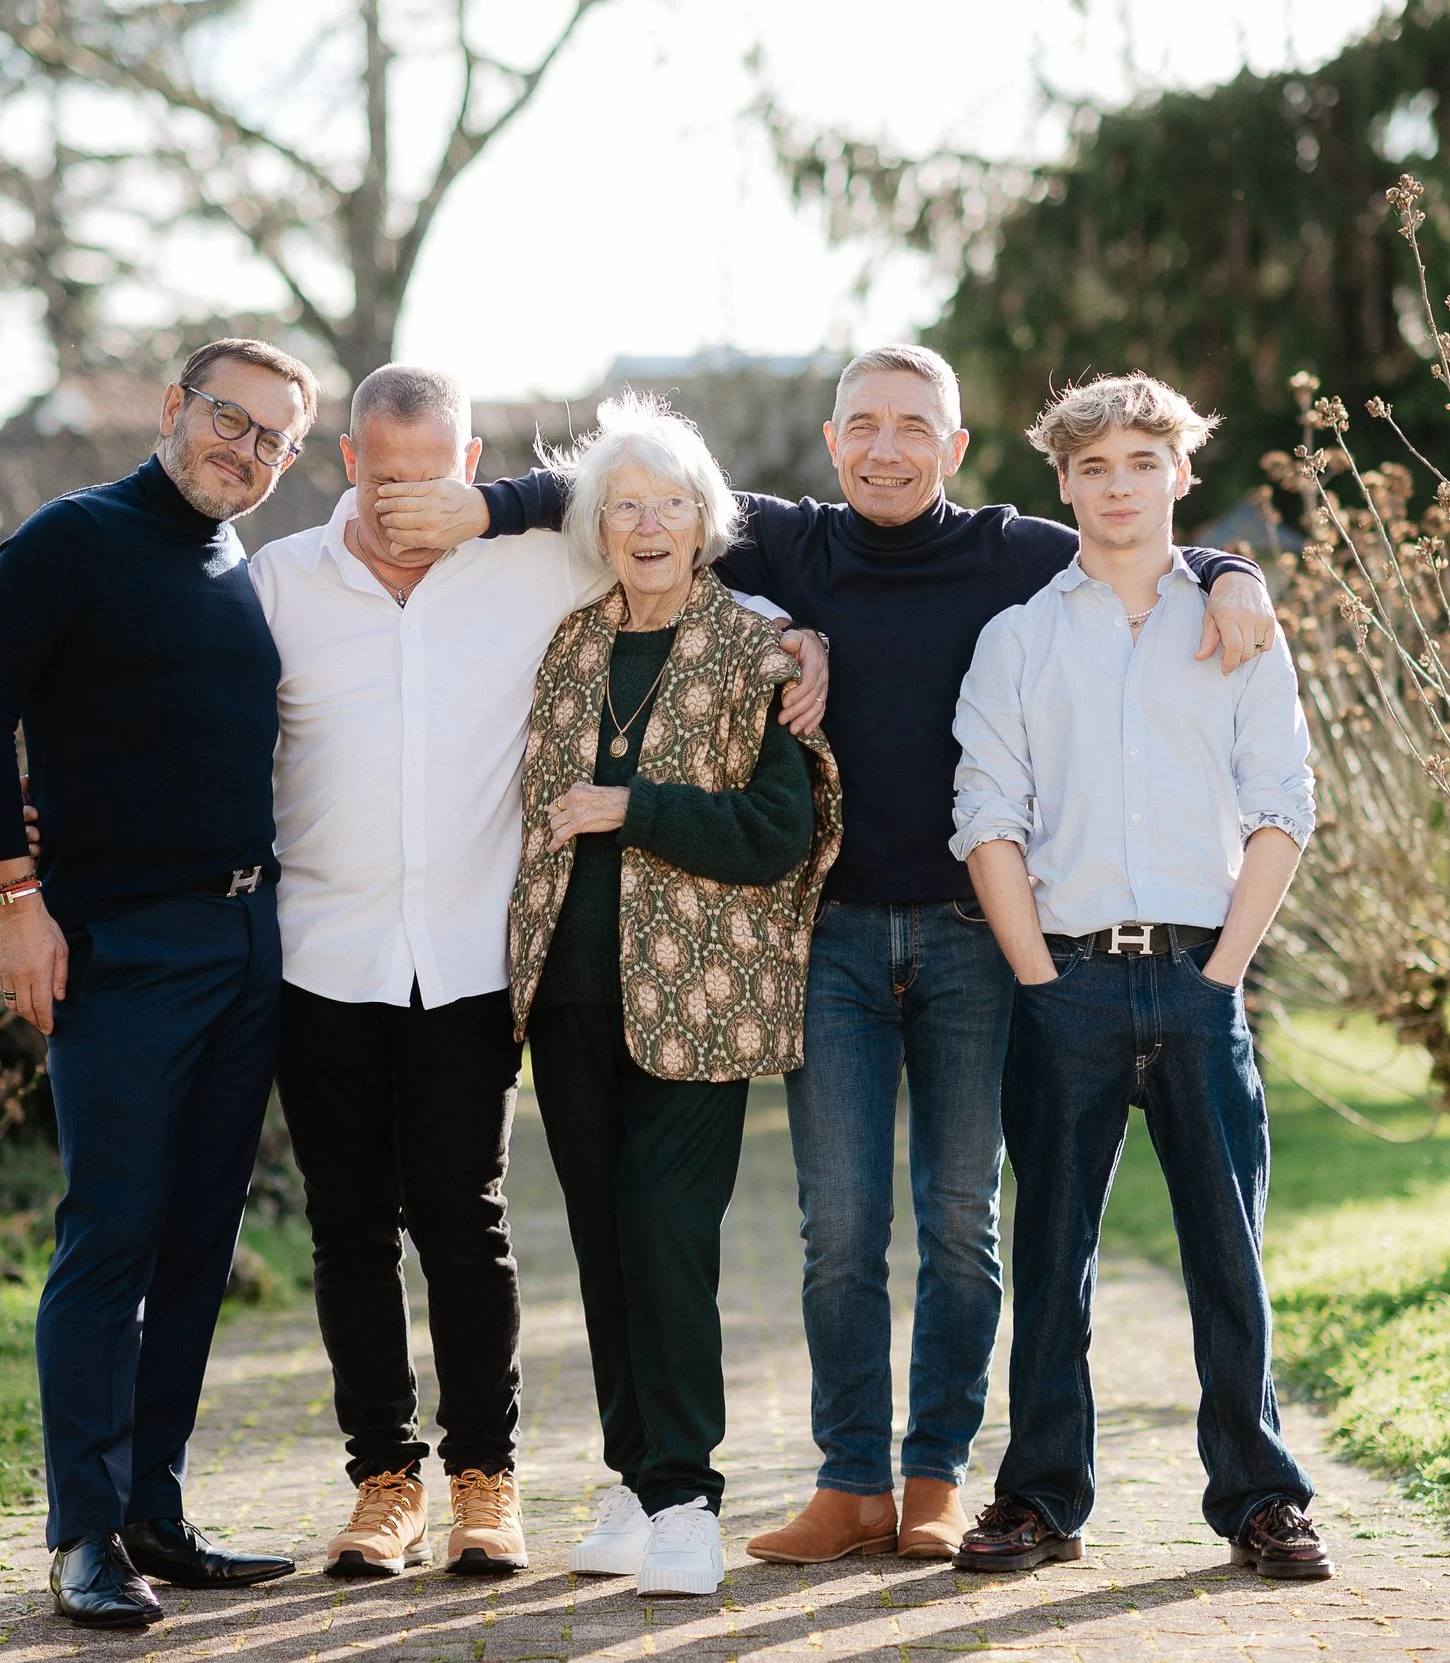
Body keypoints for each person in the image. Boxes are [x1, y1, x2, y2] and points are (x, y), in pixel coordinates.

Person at [377, 345, 1277, 1563]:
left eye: (917, 426)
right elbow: (623, 492)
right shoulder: (787, 543)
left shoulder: (1013, 550)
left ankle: (932, 1478)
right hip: (830, 941)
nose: (889, 447)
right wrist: (485, 503)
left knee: (961, 1223)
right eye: (865, 425)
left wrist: (1229, 571)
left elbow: (1136, 541)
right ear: (831, 436)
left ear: (954, 450)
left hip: (974, 941)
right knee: (838, 1228)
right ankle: (849, 1478)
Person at [231, 368, 831, 1581]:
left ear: (470, 467)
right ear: (348, 462)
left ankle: (559, 1487)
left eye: (435, 476)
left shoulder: (557, 576)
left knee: (504, 1228)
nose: (408, 501)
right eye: (385, 474)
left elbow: (677, 518)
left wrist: (792, 640)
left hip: (539, 972)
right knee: (387, 1232)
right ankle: (427, 1483)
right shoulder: (291, 582)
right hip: (379, 961)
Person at [0, 339, 315, 1627]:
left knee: (202, 1237)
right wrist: (13, 900)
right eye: (230, 418)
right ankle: (83, 1534)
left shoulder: (236, 570)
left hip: (244, 940)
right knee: (111, 1235)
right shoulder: (70, 541)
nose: (246, 450)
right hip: (117, 945)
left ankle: (154, 1508)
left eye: (274, 439)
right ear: (174, 409)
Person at [948, 373, 1327, 1580]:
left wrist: (1221, 972)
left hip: (1195, 981)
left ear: (1180, 474)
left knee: (1230, 1250)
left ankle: (1262, 1496)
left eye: (1141, 463)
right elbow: (986, 817)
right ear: (1061, 482)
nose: (1118, 487)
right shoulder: (1017, 638)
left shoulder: (1235, 624)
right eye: (1093, 468)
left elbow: (1283, 810)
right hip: (1061, 985)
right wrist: (1034, 977)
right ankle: (1041, 1497)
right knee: (1051, 1254)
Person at [505, 393, 841, 1599]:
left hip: (702, 1003)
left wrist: (629, 807)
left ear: (708, 520)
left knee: (663, 1233)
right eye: (624, 505)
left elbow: (777, 833)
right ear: (597, 525)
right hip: (571, 997)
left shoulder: (756, 650)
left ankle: (689, 1493)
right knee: (600, 1245)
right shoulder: (570, 646)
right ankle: (633, 1476)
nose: (647, 524)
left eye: (670, 504)